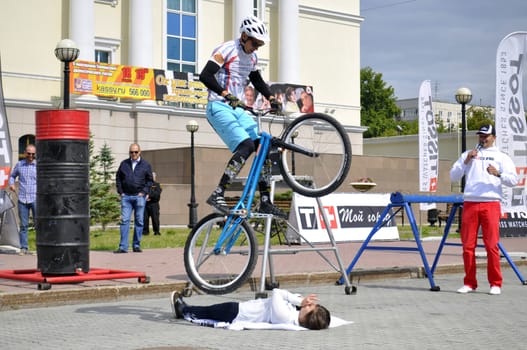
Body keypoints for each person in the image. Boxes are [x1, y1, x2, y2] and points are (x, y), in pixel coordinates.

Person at [198, 16, 287, 219]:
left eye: (260, 45)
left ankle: (265, 201)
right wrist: (225, 94)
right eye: (254, 43)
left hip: (238, 109)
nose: (256, 48)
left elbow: (256, 79)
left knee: (263, 148)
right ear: (244, 36)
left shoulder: (252, 58)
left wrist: (271, 97)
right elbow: (205, 76)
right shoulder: (226, 50)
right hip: (219, 106)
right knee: (246, 146)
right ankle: (218, 193)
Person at [450, 124, 518, 295]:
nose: (483, 139)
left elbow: (514, 180)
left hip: (491, 203)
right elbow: (453, 176)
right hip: (471, 202)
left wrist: (498, 174)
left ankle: (495, 283)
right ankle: (469, 283)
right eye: (480, 135)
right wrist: (466, 161)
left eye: (486, 136)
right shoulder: (468, 154)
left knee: (491, 245)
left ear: (494, 137)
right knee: (467, 245)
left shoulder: (502, 157)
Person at [170, 288, 331, 330]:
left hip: (237, 312)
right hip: (240, 310)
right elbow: (290, 297)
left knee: (206, 312)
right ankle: (186, 309)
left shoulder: (284, 316)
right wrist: (300, 302)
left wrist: (299, 300)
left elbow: (277, 293)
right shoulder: (295, 314)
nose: (307, 304)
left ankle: (183, 310)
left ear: (307, 317)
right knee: (209, 310)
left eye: (309, 307)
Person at [114, 143, 153, 253]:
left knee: (139, 221)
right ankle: (123, 247)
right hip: (126, 197)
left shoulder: (146, 165)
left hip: (139, 197)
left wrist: (144, 192)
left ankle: (136, 245)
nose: (134, 154)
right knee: (124, 221)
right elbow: (118, 178)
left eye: (136, 152)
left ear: (140, 152)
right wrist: (121, 192)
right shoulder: (124, 164)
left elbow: (150, 181)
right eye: (131, 152)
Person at [8, 144, 37, 255]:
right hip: (22, 199)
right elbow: (12, 176)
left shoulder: (38, 166)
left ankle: (40, 248)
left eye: (33, 154)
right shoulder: (20, 165)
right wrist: (11, 184)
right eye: (29, 153)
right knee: (23, 225)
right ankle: (24, 248)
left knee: (38, 224)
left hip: (35, 198)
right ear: (25, 153)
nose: (30, 156)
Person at [144, 171, 162, 236]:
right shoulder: (145, 184)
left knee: (155, 218)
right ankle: (145, 232)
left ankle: (156, 232)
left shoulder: (157, 185)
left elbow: (157, 194)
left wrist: (149, 196)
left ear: (155, 177)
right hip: (145, 204)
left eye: (153, 176)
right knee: (144, 219)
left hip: (154, 204)